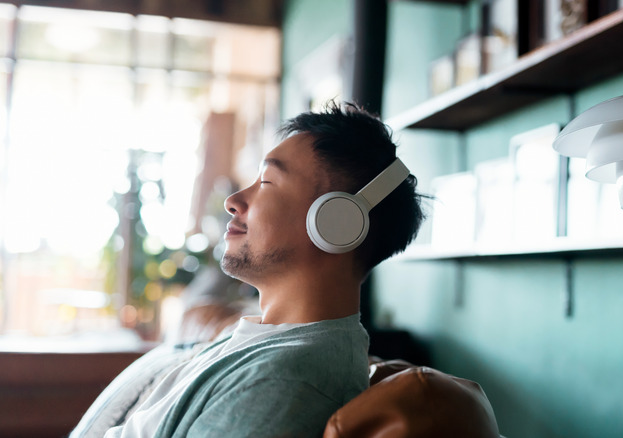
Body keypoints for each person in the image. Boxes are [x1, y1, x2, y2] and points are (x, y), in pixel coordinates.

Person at [91, 101, 425, 437]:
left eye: (266, 182)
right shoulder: (260, 342)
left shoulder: (285, 380)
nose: (232, 201)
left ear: (337, 222)